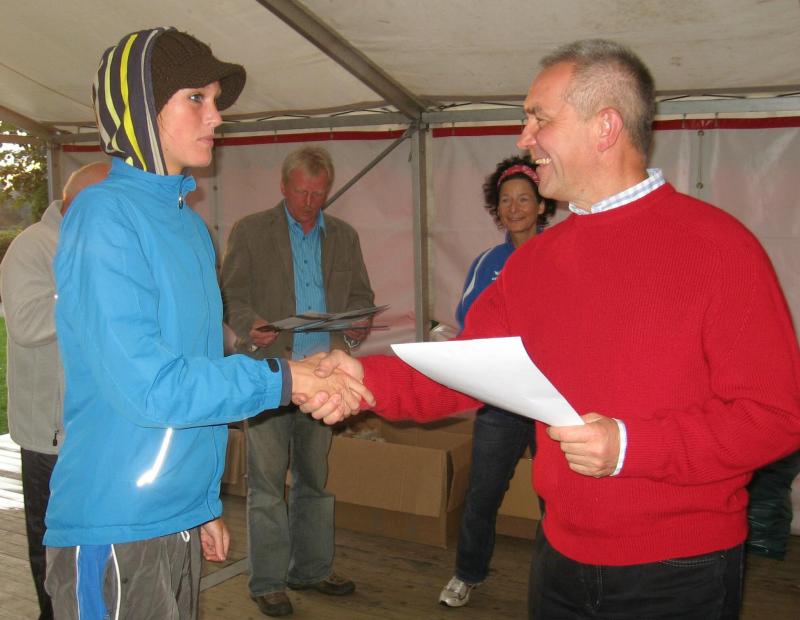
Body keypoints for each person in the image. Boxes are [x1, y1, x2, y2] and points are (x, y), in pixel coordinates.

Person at [302, 39, 800, 619]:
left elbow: (775, 417)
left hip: (680, 569)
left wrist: (631, 447)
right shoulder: (534, 263)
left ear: (605, 127)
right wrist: (364, 379)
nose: (524, 138)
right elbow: (469, 367)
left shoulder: (719, 249)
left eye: (540, 118)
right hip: (559, 557)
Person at [44, 28, 370, 620]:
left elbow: (200, 367)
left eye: (215, 100)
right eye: (197, 98)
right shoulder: (103, 217)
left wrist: (200, 505)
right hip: (117, 519)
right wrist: (286, 378)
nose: (217, 117)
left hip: (174, 512)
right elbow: (151, 386)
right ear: (142, 110)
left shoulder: (190, 227)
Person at [220, 145, 375, 617]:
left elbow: (361, 296)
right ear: (284, 186)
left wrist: (357, 326)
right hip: (271, 373)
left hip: (324, 375)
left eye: (318, 193)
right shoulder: (251, 230)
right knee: (267, 484)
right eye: (302, 192)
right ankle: (268, 582)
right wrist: (249, 324)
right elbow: (230, 294)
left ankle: (310, 569)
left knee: (314, 480)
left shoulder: (344, 236)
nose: (310, 202)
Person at [439, 155, 555, 608]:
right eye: (506, 200)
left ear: (542, 205)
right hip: (500, 402)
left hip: (551, 402)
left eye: (524, 199)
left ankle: (555, 582)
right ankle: (467, 573)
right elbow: (468, 323)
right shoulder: (487, 262)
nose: (515, 208)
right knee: (482, 494)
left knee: (556, 499)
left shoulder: (563, 253)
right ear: (497, 208)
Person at [0, 161, 109, 620]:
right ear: (80, 205)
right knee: (52, 545)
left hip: (96, 425)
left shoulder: (99, 244)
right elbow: (26, 325)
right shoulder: (31, 247)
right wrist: (83, 288)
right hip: (50, 434)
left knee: (94, 544)